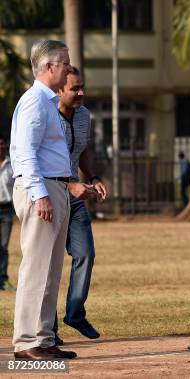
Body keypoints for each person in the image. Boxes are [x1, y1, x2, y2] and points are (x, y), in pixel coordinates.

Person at [10, 40, 76, 360]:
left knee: (50, 270)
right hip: (42, 189)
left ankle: (44, 336)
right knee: (35, 268)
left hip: (56, 187)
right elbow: (25, 152)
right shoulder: (35, 101)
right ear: (49, 67)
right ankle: (25, 342)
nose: (68, 67)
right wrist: (40, 195)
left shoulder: (48, 103)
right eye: (64, 62)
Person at [53, 66, 107, 345]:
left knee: (86, 253)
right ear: (59, 89)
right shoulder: (46, 115)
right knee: (48, 264)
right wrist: (66, 185)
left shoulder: (84, 115)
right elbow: (34, 160)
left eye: (81, 87)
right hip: (49, 196)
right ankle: (46, 326)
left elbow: (82, 149)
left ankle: (75, 313)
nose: (81, 93)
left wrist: (92, 177)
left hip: (75, 196)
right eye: (74, 88)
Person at [0, 135, 15, 291]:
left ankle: (3, 280)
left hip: (7, 210)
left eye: (2, 144)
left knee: (3, 247)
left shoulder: (12, 165)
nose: (0, 147)